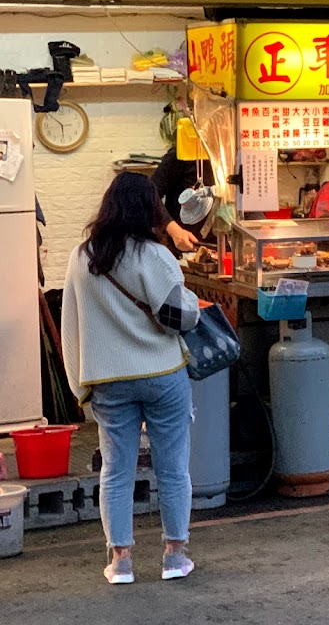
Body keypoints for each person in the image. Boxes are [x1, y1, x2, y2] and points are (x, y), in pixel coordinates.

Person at [61, 172, 199, 584]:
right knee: (172, 467)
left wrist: (79, 383)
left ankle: (121, 560)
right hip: (162, 374)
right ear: (150, 209)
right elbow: (179, 317)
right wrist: (189, 295)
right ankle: (175, 555)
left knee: (116, 470)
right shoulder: (156, 256)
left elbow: (69, 321)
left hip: (107, 380)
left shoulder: (81, 257)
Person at [150, 142, 213, 253]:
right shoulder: (183, 152)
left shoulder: (233, 153)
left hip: (222, 248)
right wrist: (174, 230)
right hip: (183, 247)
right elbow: (149, 196)